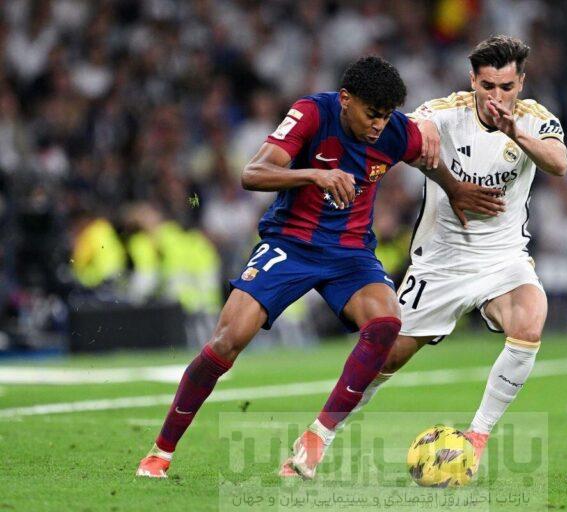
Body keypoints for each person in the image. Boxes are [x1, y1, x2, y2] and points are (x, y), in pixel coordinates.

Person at [135, 56, 504, 479]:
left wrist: (454, 189)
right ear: (346, 99)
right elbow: (253, 173)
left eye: (386, 115)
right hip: (290, 245)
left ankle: (317, 437)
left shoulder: (395, 131)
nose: (379, 125)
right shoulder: (312, 113)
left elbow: (427, 156)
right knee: (226, 341)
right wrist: (315, 175)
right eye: (372, 113)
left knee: (386, 322)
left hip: (350, 254)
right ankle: (160, 452)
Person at [344, 36, 567, 475]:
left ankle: (477, 437)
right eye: (488, 86)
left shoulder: (536, 120)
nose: (497, 97)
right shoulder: (447, 112)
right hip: (441, 262)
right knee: (385, 358)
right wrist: (423, 129)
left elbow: (558, 163)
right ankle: (321, 434)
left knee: (530, 320)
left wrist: (515, 133)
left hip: (502, 258)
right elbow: (407, 127)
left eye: (506, 87)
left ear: (521, 83)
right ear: (472, 81)